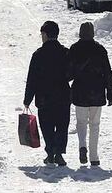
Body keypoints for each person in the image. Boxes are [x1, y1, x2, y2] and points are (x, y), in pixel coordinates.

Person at [69, 22, 112, 166]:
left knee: (81, 123)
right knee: (95, 125)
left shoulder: (74, 49)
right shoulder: (100, 49)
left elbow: (69, 73)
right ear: (93, 33)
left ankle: (82, 145)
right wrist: (111, 93)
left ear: (80, 33)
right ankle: (94, 157)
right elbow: (108, 72)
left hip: (80, 92)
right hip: (97, 92)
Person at [23, 21, 71, 166]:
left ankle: (50, 153)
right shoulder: (65, 52)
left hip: (44, 98)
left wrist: (27, 99)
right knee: (62, 125)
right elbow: (71, 73)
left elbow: (32, 79)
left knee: (47, 126)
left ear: (45, 34)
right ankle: (59, 154)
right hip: (63, 96)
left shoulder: (38, 55)